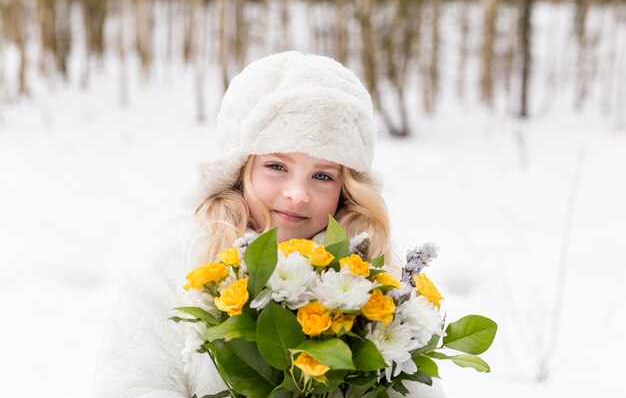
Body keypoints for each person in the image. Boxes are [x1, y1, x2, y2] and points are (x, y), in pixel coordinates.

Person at [94, 51, 446, 398]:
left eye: (322, 175)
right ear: (240, 168)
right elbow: (132, 385)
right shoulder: (178, 264)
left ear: (345, 189)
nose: (297, 194)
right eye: (277, 166)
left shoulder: (374, 283)